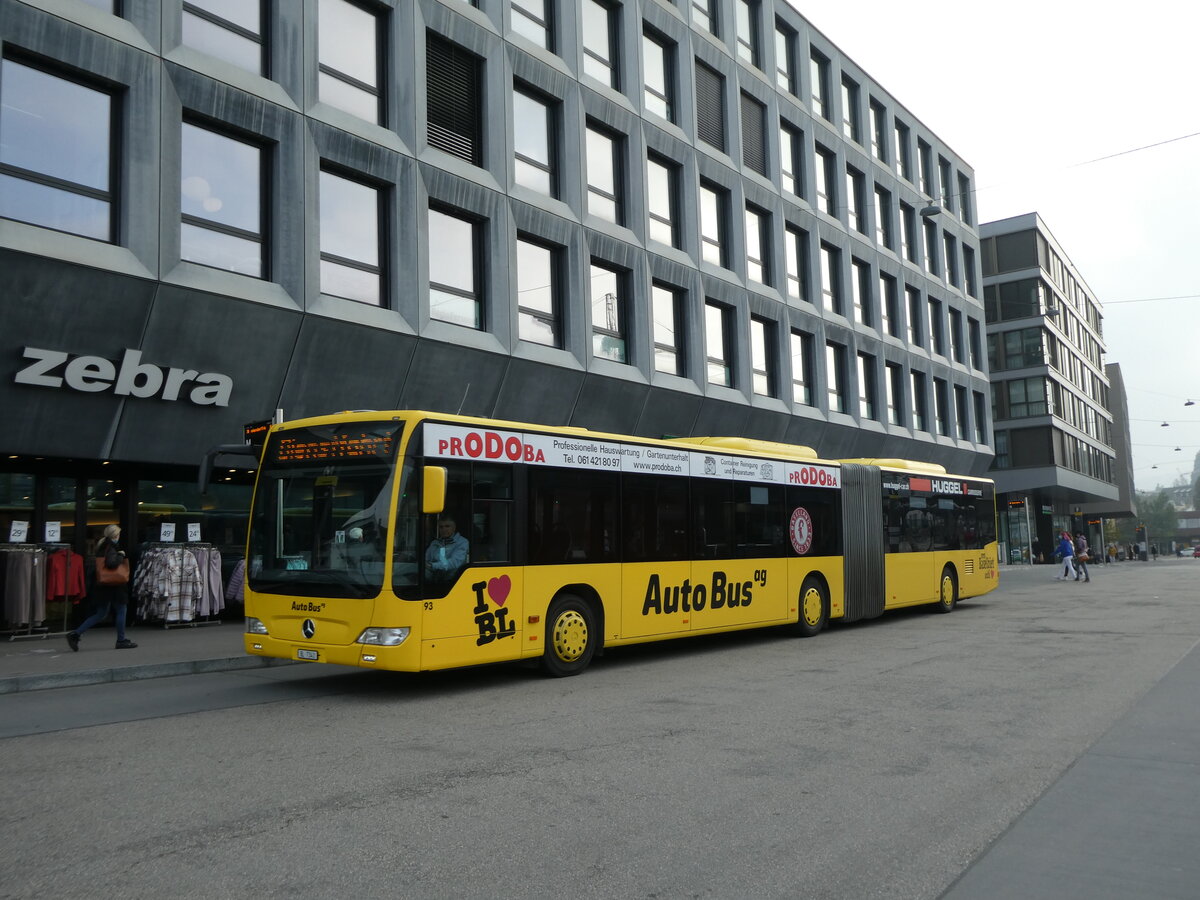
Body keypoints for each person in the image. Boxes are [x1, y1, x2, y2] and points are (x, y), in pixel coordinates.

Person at [66, 524, 137, 651]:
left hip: (103, 586)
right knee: (121, 610)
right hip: (114, 586)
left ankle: (76, 634)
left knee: (101, 613)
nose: (119, 537)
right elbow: (111, 563)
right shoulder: (111, 547)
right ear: (115, 535)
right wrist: (121, 555)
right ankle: (121, 640)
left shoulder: (102, 546)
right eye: (118, 534)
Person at [425, 517, 469, 581]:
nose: (444, 529)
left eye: (447, 526)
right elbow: (426, 559)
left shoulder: (462, 542)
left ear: (454, 528)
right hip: (433, 577)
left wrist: (432, 565)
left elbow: (455, 562)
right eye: (441, 527)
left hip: (453, 580)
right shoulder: (435, 543)